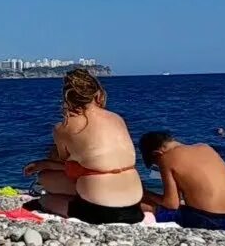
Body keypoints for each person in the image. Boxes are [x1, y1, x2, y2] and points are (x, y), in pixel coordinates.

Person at [22, 69, 144, 224]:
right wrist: (43, 164)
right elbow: (94, 163)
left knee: (46, 190)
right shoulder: (117, 118)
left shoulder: (64, 127)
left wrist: (44, 165)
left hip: (101, 212)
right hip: (134, 208)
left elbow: (68, 165)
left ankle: (53, 202)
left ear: (67, 98)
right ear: (98, 95)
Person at [139, 131, 225, 230]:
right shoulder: (206, 148)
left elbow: (171, 204)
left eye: (156, 164)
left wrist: (145, 194)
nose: (159, 166)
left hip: (212, 221)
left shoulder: (166, 158)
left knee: (147, 206)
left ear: (157, 153)